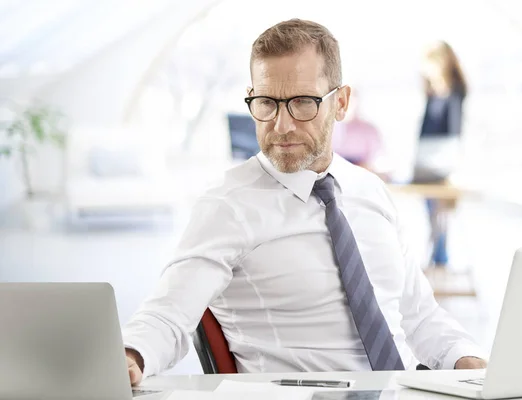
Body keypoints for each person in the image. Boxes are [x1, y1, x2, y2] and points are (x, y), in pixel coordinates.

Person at [123, 19, 487, 386]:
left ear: (340, 103)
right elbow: (168, 313)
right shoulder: (228, 206)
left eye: (302, 103)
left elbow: (420, 316)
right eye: (266, 103)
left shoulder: (371, 192)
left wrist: (469, 361)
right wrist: (131, 354)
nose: (281, 125)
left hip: (404, 391)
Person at [413, 40, 468, 267]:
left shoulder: (455, 92)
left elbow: (453, 133)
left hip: (443, 164)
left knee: (442, 215)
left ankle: (440, 259)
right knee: (431, 215)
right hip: (426, 163)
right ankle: (436, 258)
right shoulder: (432, 92)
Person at [332, 89, 383, 171]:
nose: (347, 104)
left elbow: (377, 160)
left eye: (352, 100)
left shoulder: (369, 130)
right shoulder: (329, 128)